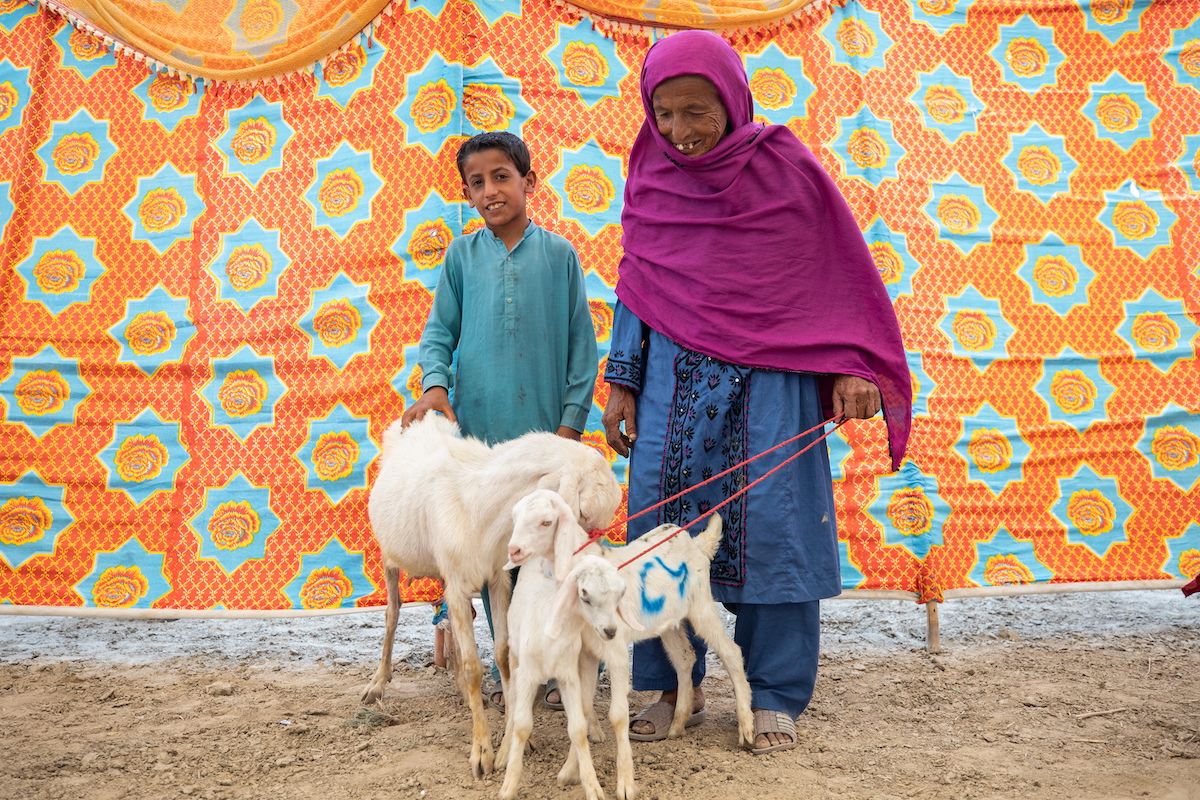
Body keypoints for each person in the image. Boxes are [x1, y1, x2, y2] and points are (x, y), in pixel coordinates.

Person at [600, 31, 912, 755]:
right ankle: (672, 682)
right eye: (664, 113)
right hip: (672, 383)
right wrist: (622, 378)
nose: (679, 131)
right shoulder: (648, 168)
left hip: (771, 384)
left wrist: (850, 366)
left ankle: (773, 691)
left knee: (773, 526)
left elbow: (833, 272)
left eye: (696, 110)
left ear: (733, 99)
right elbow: (638, 279)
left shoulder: (785, 167)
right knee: (660, 533)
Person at [403, 131, 599, 710]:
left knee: (550, 547)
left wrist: (568, 428)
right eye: (477, 183)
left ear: (529, 182)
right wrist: (435, 386)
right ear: (467, 193)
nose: (490, 191)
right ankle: (506, 661)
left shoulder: (560, 256)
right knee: (494, 554)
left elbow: (581, 351)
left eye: (502, 177)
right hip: (480, 442)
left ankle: (558, 659)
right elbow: (439, 333)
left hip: (544, 439)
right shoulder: (460, 258)